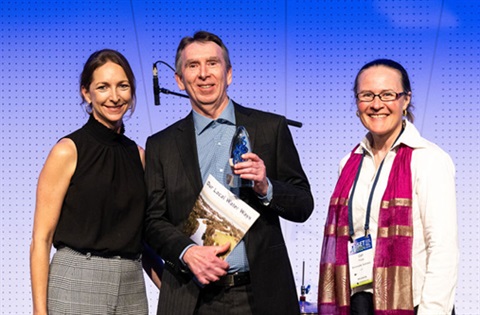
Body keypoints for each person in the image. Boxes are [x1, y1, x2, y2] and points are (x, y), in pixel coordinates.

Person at [144, 30, 314, 315]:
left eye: (212, 63)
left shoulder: (270, 128)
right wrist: (187, 252)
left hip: (260, 297)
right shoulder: (161, 145)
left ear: (229, 73)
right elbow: (152, 221)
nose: (203, 74)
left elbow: (303, 204)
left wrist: (266, 187)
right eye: (192, 66)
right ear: (179, 80)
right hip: (192, 299)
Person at [317, 59, 458, 314]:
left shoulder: (428, 159)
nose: (376, 104)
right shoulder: (349, 163)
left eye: (388, 94)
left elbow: (443, 247)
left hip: (414, 303)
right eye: (367, 95)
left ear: (405, 100)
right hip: (360, 301)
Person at [30, 49, 160, 315]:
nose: (114, 96)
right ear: (86, 93)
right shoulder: (67, 151)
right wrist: (39, 313)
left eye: (123, 86)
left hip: (132, 287)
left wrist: (174, 289)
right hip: (77, 281)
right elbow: (41, 239)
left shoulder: (139, 156)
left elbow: (141, 239)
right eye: (103, 87)